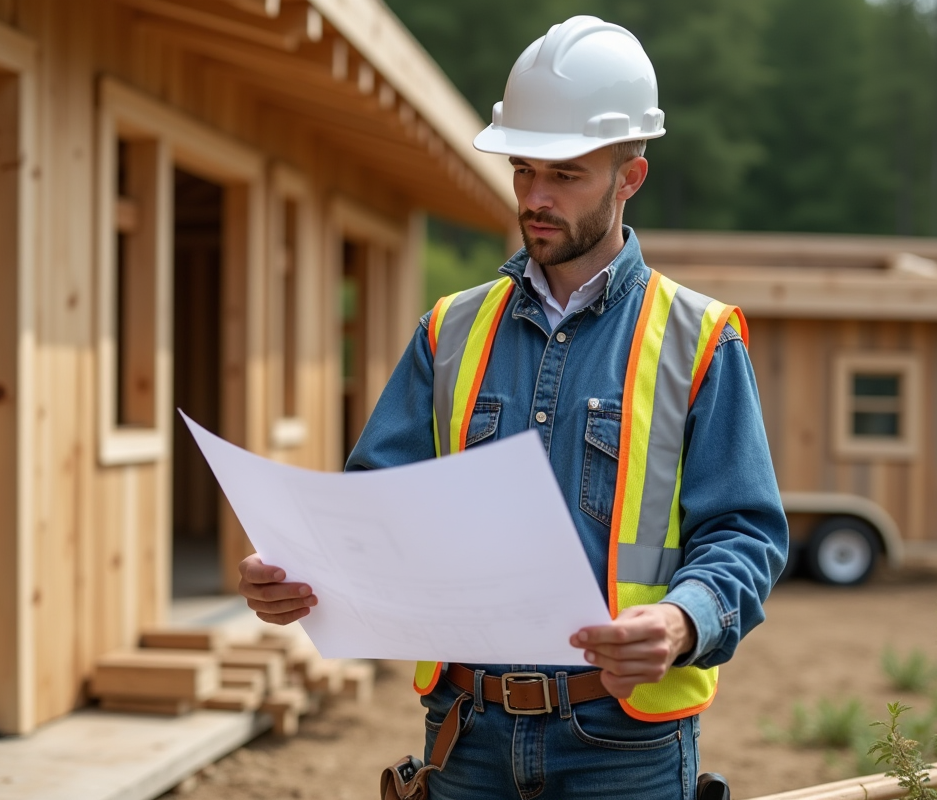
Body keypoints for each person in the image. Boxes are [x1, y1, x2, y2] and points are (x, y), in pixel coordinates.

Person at [238, 15, 787, 800]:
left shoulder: (699, 340)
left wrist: (681, 621)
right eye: (524, 170)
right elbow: (373, 509)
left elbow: (744, 533)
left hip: (620, 747)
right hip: (465, 735)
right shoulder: (450, 330)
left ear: (630, 177)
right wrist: (300, 571)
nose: (535, 197)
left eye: (565, 175)